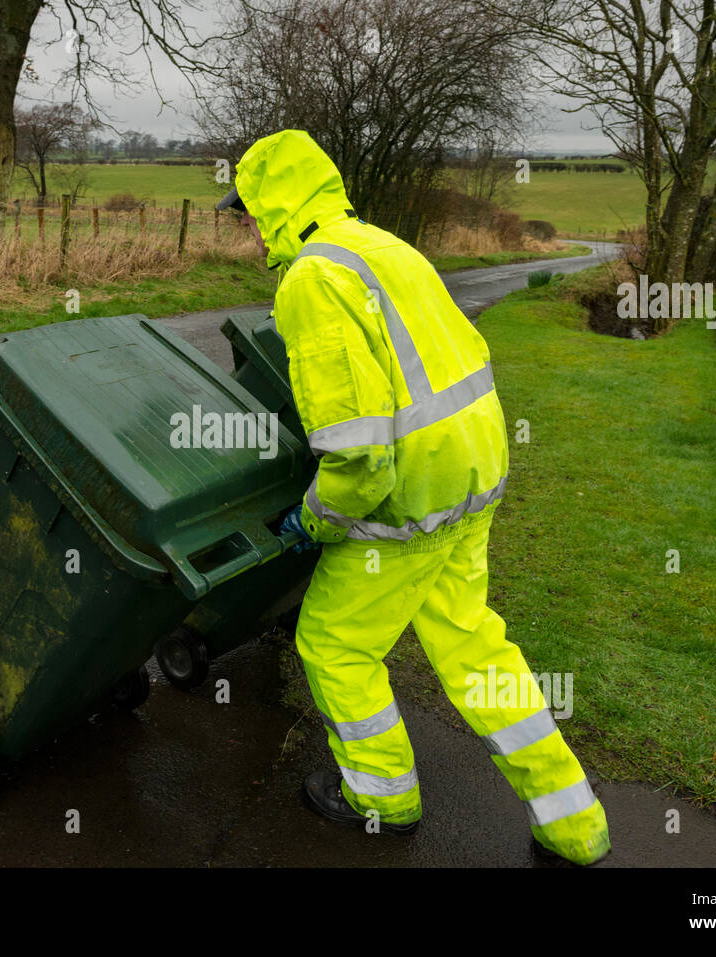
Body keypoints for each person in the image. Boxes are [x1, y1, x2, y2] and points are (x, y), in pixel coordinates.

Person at [216, 129, 610, 866]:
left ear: (272, 203)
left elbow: (360, 459)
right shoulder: (381, 245)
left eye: (245, 208)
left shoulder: (311, 278)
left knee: (334, 643)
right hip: (475, 470)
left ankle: (380, 798)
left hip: (412, 496)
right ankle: (574, 821)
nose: (243, 222)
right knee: (471, 644)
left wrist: (310, 521)